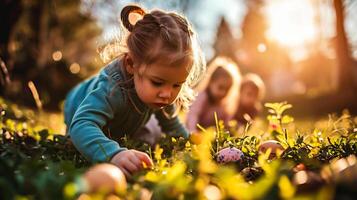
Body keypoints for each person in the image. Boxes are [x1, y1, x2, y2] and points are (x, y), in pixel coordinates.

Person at [64, 4, 206, 177]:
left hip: (119, 123)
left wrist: (193, 145)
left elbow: (172, 124)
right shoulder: (112, 89)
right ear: (131, 64)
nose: (167, 94)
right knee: (76, 140)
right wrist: (114, 154)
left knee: (145, 136)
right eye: (157, 82)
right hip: (76, 107)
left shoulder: (161, 92)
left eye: (177, 85)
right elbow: (82, 123)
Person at [186, 56, 241, 132]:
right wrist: (193, 131)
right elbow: (193, 115)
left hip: (209, 135)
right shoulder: (203, 97)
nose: (223, 92)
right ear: (211, 82)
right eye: (220, 87)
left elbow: (225, 122)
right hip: (193, 131)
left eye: (227, 89)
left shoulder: (225, 104)